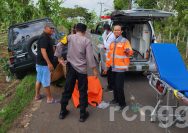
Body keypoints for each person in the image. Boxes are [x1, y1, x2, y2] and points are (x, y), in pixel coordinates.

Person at [59, 23, 98, 122]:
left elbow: (59, 44)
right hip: (82, 70)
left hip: (71, 68)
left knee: (68, 89)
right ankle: (82, 114)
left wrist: (59, 57)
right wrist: (94, 69)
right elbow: (89, 57)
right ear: (84, 32)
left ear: (76, 29)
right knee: (83, 91)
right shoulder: (86, 41)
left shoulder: (69, 37)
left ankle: (62, 112)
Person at [104, 24, 133, 111]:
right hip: (113, 68)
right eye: (115, 30)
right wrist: (106, 67)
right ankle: (115, 99)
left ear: (121, 31)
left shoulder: (125, 41)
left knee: (119, 87)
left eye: (118, 30)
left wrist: (128, 51)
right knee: (114, 86)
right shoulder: (113, 43)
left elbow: (130, 52)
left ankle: (122, 103)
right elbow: (109, 56)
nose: (117, 31)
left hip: (120, 68)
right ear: (113, 31)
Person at [34, 22, 57, 104]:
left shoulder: (48, 37)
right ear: (45, 28)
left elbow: (52, 48)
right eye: (50, 28)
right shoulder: (44, 37)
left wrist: (57, 56)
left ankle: (37, 96)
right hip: (44, 64)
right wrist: (49, 63)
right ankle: (49, 98)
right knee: (46, 81)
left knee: (39, 79)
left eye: (53, 28)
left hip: (40, 63)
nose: (52, 29)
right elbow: (43, 51)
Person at [102, 24, 115, 92]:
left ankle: (111, 87)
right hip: (109, 55)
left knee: (110, 73)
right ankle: (110, 86)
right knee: (109, 72)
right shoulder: (109, 35)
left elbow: (108, 46)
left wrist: (104, 41)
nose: (104, 31)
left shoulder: (111, 36)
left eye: (104, 30)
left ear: (106, 29)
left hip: (110, 56)